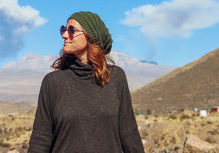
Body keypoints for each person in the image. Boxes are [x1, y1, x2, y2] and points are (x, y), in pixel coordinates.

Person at [28, 11, 145, 153]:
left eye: (72, 30)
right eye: (64, 30)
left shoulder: (115, 77)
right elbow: (41, 138)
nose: (65, 35)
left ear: (91, 36)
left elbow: (129, 135)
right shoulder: (52, 82)